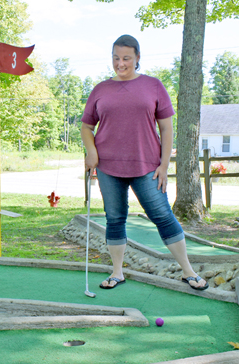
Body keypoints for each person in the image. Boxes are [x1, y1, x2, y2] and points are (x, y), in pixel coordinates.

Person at [80, 34, 208, 291]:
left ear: (138, 58)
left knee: (162, 215)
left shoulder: (153, 86)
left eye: (126, 58)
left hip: (147, 166)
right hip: (108, 167)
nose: (121, 63)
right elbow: (86, 126)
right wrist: (91, 152)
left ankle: (188, 271)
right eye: (116, 58)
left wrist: (164, 165)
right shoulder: (101, 89)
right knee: (114, 218)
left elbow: (167, 128)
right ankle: (117, 272)